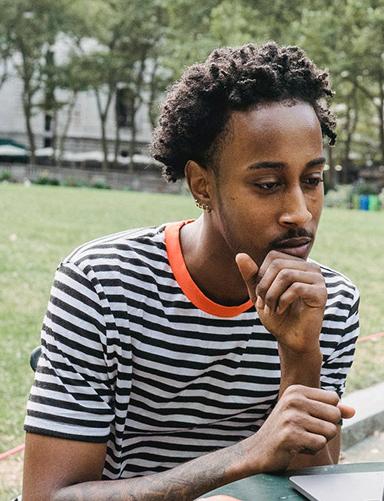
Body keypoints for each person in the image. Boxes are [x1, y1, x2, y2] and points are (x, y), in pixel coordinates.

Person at [22, 43, 360, 500]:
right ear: (202, 184)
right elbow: (49, 496)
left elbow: (307, 488)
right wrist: (243, 455)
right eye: (268, 184)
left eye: (313, 180)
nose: (300, 213)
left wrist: (301, 354)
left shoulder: (330, 301)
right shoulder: (102, 284)